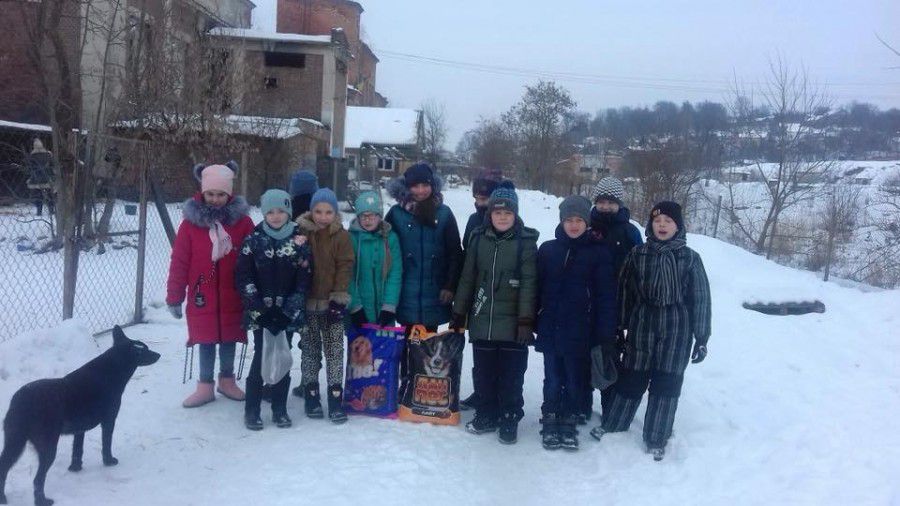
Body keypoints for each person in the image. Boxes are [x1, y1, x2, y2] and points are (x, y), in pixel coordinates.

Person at [590, 201, 712, 461]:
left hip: (677, 329)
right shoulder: (638, 254)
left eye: (668, 221)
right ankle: (614, 425)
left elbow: (700, 298)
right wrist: (618, 328)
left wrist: (702, 338)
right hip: (642, 325)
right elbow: (625, 292)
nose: (663, 226)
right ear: (650, 225)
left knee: (666, 383)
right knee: (631, 378)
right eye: (657, 221)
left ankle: (656, 436)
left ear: (678, 226)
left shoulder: (690, 258)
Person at [451, 182, 538, 445]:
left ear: (515, 215)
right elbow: (468, 278)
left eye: (508, 213)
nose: (502, 217)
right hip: (482, 320)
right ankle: (487, 412)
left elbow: (529, 284)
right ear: (489, 214)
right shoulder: (479, 238)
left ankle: (509, 416)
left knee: (512, 374)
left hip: (513, 326)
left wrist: (525, 321)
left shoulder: (525, 242)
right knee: (484, 372)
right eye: (497, 213)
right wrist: (459, 312)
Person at [166, 162, 255, 408]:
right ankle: (204, 385)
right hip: (201, 295)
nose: (215, 199)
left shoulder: (243, 224)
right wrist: (175, 295)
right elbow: (180, 261)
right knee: (204, 339)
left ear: (229, 195)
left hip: (233, 295)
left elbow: (254, 257)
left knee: (229, 338)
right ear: (203, 193)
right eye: (210, 194)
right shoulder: (190, 225)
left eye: (220, 194)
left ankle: (227, 380)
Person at [535, 196, 616, 451]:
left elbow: (605, 296)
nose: (573, 225)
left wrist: (604, 332)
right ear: (561, 221)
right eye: (569, 220)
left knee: (573, 379)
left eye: (579, 220)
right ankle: (550, 417)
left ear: (587, 223)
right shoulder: (548, 250)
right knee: (551, 378)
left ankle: (568, 419)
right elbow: (535, 289)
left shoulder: (599, 253)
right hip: (551, 326)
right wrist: (532, 318)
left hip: (581, 331)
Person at [236, 189, 312, 430]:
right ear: (264, 212)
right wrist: (260, 309)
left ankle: (279, 408)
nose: (276, 216)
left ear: (289, 212)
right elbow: (243, 276)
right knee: (261, 356)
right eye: (270, 211)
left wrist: (288, 311)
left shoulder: (299, 240)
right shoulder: (253, 239)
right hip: (262, 315)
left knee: (283, 357)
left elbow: (304, 279)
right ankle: (252, 410)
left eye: (281, 211)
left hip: (286, 315)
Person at [293, 188, 355, 423]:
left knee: (334, 351)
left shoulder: (341, 236)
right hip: (308, 303)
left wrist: (338, 298)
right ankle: (311, 394)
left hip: (331, 305)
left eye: (328, 212)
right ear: (311, 211)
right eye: (318, 211)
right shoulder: (300, 232)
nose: (322, 217)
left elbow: (345, 266)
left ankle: (335, 397)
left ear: (335, 213)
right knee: (309, 349)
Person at [586, 176, 643, 423]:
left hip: (617, 308)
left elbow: (640, 269)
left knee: (609, 358)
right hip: (587, 304)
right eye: (601, 201)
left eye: (611, 202)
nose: (606, 206)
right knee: (584, 356)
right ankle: (581, 405)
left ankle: (610, 408)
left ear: (619, 204)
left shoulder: (630, 232)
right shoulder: (587, 226)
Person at [385, 162, 462, 332]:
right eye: (415, 186)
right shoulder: (396, 214)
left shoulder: (444, 214)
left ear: (432, 186)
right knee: (406, 346)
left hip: (434, 293)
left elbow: (455, 253)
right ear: (407, 187)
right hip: (405, 292)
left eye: (425, 185)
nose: (421, 190)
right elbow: (385, 251)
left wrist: (450, 285)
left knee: (427, 348)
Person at [459, 167, 504, 411]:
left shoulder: (504, 217)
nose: (480, 203)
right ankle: (480, 390)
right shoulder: (473, 220)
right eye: (476, 198)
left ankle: (496, 392)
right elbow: (467, 251)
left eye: (485, 199)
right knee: (478, 344)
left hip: (498, 292)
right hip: (477, 290)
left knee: (497, 349)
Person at [347, 191, 402, 330]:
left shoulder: (390, 239)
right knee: (360, 350)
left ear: (380, 216)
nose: (367, 219)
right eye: (363, 216)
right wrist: (355, 307)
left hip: (384, 312)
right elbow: (347, 276)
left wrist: (389, 306)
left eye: (372, 215)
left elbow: (394, 273)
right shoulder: (349, 239)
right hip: (359, 312)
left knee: (384, 351)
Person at [25, 139, 56, 216]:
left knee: (38, 195)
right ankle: (51, 210)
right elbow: (52, 166)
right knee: (50, 194)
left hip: (36, 179)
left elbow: (29, 168)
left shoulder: (32, 156)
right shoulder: (48, 155)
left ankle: (39, 211)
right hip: (47, 178)